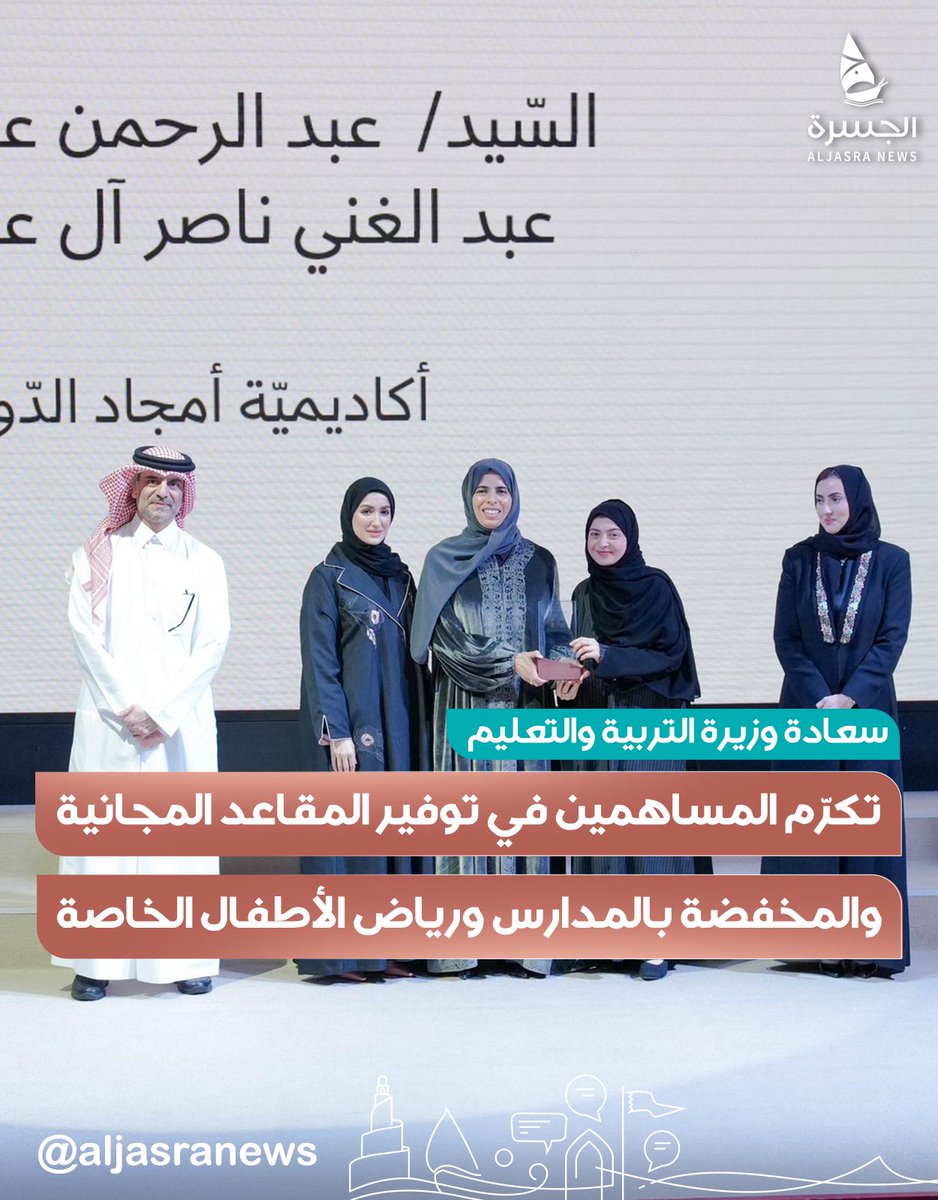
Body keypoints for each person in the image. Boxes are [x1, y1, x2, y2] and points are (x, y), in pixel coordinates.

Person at [55, 446, 229, 1000]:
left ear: (185, 494)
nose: (163, 492)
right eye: (152, 481)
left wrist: (162, 713)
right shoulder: (96, 555)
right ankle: (94, 963)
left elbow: (212, 644)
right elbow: (84, 637)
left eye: (174, 484)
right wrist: (127, 708)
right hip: (110, 723)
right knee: (103, 843)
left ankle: (185, 958)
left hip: (179, 724)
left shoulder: (205, 561)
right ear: (132, 488)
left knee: (179, 845)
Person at [411, 458, 576, 977]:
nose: (492, 500)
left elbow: (553, 629)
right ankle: (464, 947)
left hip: (527, 711)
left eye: (501, 491)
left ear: (514, 497)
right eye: (482, 491)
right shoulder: (443, 559)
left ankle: (524, 947)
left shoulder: (541, 561)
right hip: (466, 707)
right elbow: (445, 640)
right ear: (468, 497)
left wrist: (563, 670)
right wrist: (511, 662)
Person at [762, 465, 912, 977]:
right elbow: (786, 638)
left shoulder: (892, 561)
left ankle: (866, 946)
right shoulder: (797, 559)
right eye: (819, 500)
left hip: (868, 710)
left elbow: (891, 638)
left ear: (857, 500)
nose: (827, 510)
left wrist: (851, 696)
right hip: (807, 710)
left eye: (836, 499)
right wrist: (821, 697)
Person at [296, 477, 428, 983]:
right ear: (349, 515)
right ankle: (344, 956)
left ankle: (388, 949)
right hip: (353, 727)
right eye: (366, 511)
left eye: (384, 512)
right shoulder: (327, 577)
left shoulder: (402, 577)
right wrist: (338, 732)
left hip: (400, 721)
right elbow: (320, 661)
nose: (376, 521)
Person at [566, 499, 701, 980]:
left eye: (613, 534)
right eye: (595, 534)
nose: (603, 544)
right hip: (598, 716)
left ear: (631, 538)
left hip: (650, 714)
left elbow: (670, 655)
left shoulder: (655, 586)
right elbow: (581, 657)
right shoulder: (584, 593)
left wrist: (610, 655)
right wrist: (568, 681)